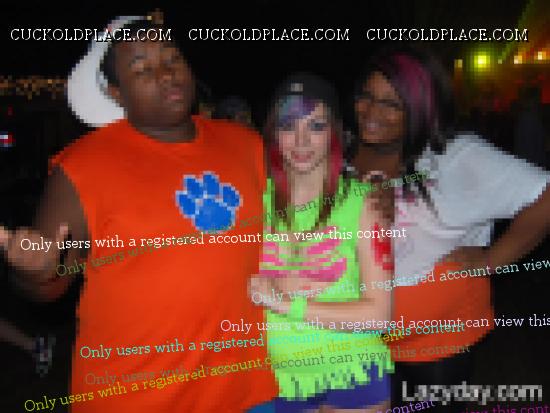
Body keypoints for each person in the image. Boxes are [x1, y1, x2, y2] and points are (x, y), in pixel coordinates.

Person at [0, 16, 276, 412]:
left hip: (247, 390)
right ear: (116, 92)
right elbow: (49, 284)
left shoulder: (246, 145)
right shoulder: (83, 168)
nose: (166, 74)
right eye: (142, 69)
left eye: (172, 58)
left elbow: (297, 227)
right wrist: (34, 271)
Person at [350, 48, 550, 412]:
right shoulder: (350, 151)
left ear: (421, 107)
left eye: (391, 104)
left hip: (437, 349)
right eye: (366, 96)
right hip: (365, 342)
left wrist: (492, 258)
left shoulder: (454, 156)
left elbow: (545, 198)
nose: (371, 111)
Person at [249, 73, 394, 413]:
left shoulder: (365, 203)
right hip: (280, 380)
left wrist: (288, 304)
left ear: (334, 133)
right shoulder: (251, 201)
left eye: (316, 126)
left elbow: (378, 315)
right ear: (273, 133)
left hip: (353, 373)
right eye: (288, 126)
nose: (301, 141)